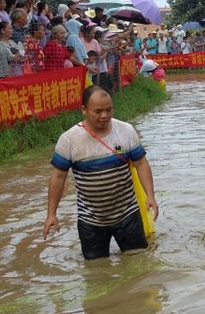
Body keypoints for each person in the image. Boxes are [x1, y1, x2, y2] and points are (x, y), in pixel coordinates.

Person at [44, 86, 159, 260]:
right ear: (84, 110)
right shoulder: (69, 140)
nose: (104, 115)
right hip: (90, 219)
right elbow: (58, 176)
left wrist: (150, 196)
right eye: (98, 111)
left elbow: (141, 163)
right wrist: (51, 213)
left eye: (108, 109)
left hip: (127, 213)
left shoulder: (126, 131)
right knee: (96, 272)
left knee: (139, 262)